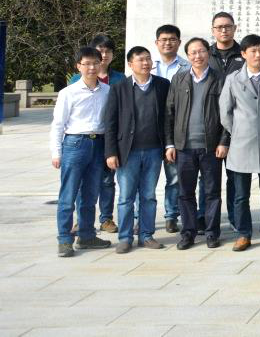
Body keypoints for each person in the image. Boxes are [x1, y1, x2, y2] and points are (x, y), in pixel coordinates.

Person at [220, 34, 260, 251]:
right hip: (241, 144)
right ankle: (243, 234)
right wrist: (238, 131)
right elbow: (225, 111)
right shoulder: (233, 79)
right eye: (253, 51)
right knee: (241, 195)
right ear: (243, 54)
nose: (258, 55)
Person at [105, 46, 171, 253]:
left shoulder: (162, 85)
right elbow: (110, 122)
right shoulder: (119, 88)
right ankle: (125, 238)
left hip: (154, 150)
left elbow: (168, 118)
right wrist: (110, 152)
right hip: (128, 152)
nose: (145, 63)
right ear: (130, 64)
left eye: (148, 59)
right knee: (126, 197)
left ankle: (146, 235)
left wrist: (169, 145)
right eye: (140, 59)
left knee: (149, 196)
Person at [165, 38, 227, 249]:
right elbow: (169, 113)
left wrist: (223, 141)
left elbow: (228, 114)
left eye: (201, 51)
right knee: (185, 193)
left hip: (211, 147)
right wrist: (170, 144)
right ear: (188, 56)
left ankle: (211, 233)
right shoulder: (179, 79)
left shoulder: (220, 79)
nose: (197, 56)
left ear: (208, 53)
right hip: (184, 147)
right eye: (193, 52)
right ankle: (188, 233)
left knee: (212, 192)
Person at [52, 46, 112, 257]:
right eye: (86, 64)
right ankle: (64, 239)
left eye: (95, 63)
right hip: (75, 144)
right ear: (78, 66)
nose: (92, 68)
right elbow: (58, 124)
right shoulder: (68, 92)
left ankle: (86, 235)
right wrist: (56, 152)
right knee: (68, 195)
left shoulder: (107, 91)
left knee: (90, 194)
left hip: (98, 144)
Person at [67, 34, 124, 236]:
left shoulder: (119, 79)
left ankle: (106, 218)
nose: (104, 55)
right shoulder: (76, 80)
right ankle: (81, 221)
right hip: (83, 139)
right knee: (82, 182)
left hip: (108, 138)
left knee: (108, 180)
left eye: (108, 51)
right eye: (100, 50)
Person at [208, 12, 244, 232]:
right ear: (213, 30)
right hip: (210, 126)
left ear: (234, 28)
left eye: (228, 26)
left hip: (236, 128)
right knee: (209, 180)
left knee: (235, 178)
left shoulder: (244, 54)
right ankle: (207, 219)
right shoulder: (206, 54)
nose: (224, 30)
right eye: (219, 27)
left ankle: (235, 217)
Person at [153, 24, 188, 235]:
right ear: (157, 42)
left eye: (172, 39)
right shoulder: (147, 65)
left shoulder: (186, 67)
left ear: (179, 42)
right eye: (164, 39)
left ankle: (171, 216)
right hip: (149, 130)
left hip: (175, 128)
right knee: (145, 179)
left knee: (174, 177)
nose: (168, 43)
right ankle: (140, 217)